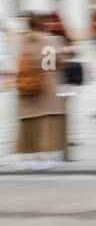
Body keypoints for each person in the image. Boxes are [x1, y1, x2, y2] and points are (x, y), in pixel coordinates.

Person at [14, 12, 71, 169]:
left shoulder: (22, 40)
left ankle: (28, 158)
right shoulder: (46, 40)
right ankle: (43, 158)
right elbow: (50, 64)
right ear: (42, 24)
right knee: (45, 123)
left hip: (26, 86)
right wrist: (63, 56)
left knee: (29, 123)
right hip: (45, 87)